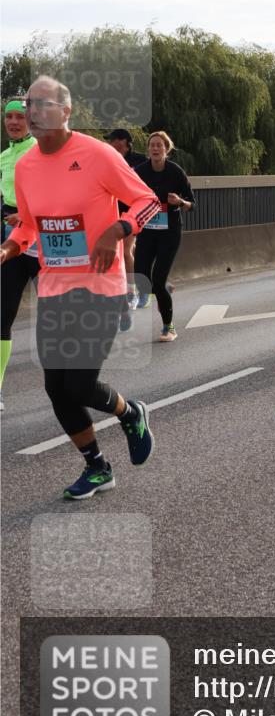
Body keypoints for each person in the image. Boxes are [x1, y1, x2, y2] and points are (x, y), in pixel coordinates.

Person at [0, 76, 161, 499]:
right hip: (54, 288)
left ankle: (130, 413)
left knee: (79, 384)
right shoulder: (26, 166)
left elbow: (147, 201)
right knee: (56, 388)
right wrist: (10, 247)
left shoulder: (98, 155)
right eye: (29, 105)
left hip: (100, 286)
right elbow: (32, 226)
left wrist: (118, 228)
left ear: (66, 112)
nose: (33, 112)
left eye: (43, 104)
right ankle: (97, 466)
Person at [133, 131, 195, 341]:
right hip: (147, 231)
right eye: (152, 145)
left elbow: (191, 204)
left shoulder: (175, 172)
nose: (156, 148)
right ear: (148, 149)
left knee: (157, 281)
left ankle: (168, 327)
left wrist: (179, 202)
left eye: (160, 145)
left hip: (170, 232)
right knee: (141, 277)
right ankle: (165, 287)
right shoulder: (140, 171)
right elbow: (127, 194)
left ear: (166, 149)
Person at [0, 99, 39, 410]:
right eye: (8, 116)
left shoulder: (41, 151)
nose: (13, 122)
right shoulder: (3, 157)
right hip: (12, 236)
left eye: (19, 117)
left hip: (43, 237)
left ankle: (77, 384)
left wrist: (29, 216)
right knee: (2, 315)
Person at [105, 128, 146, 318]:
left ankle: (131, 291)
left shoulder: (139, 160)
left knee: (126, 251)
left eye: (112, 140)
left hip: (132, 213)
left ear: (123, 142)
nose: (110, 143)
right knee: (127, 253)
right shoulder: (107, 159)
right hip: (110, 212)